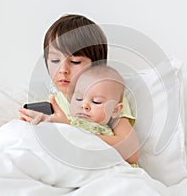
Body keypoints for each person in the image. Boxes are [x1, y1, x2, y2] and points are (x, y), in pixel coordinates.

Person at [19, 14, 139, 164]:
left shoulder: (108, 94)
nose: (63, 70)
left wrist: (71, 131)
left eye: (75, 61)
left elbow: (131, 152)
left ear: (97, 65)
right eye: (55, 60)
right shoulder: (52, 103)